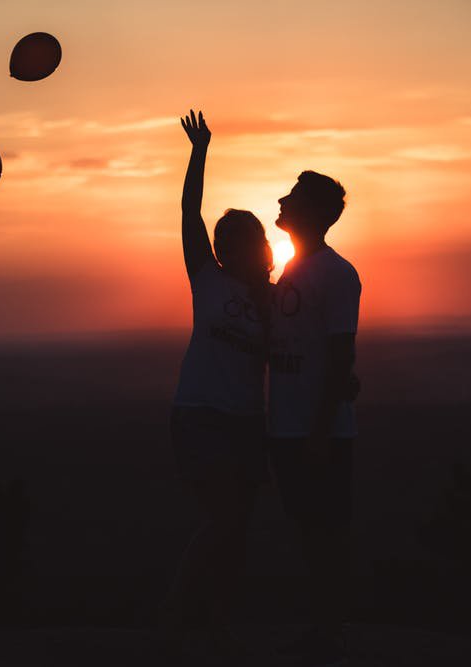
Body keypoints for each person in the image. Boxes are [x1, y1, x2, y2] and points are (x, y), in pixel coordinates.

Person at [159, 110, 273, 659]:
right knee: (222, 519)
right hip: (201, 417)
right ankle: (175, 619)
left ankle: (216, 622)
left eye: (239, 239)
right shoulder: (206, 278)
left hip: (248, 423)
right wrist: (199, 151)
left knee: (237, 528)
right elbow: (189, 212)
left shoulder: (274, 299)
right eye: (225, 239)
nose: (228, 246)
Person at [268, 170, 361, 666]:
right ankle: (323, 629)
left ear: (316, 213)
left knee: (325, 532)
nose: (282, 200)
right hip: (288, 427)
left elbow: (340, 353)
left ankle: (331, 633)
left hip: (317, 432)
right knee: (307, 531)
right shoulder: (294, 269)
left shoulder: (336, 273)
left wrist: (321, 432)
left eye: (294, 197)